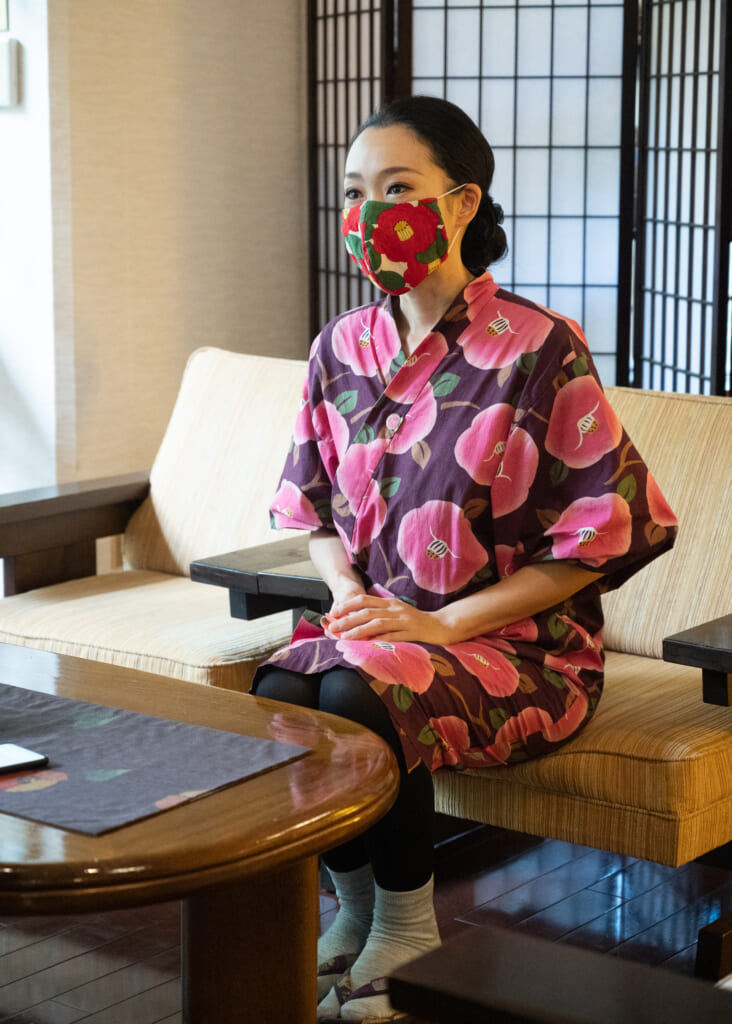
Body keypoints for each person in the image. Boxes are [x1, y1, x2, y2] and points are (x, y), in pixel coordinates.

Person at [253, 95, 677, 1022]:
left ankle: (408, 929)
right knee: (281, 693)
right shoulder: (341, 346)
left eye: (397, 188)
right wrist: (351, 594)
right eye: (356, 194)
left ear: (458, 204)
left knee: (363, 691)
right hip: (376, 626)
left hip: (514, 647)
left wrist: (437, 623)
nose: (371, 214)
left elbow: (600, 535)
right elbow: (311, 507)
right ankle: (355, 908)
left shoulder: (537, 347)